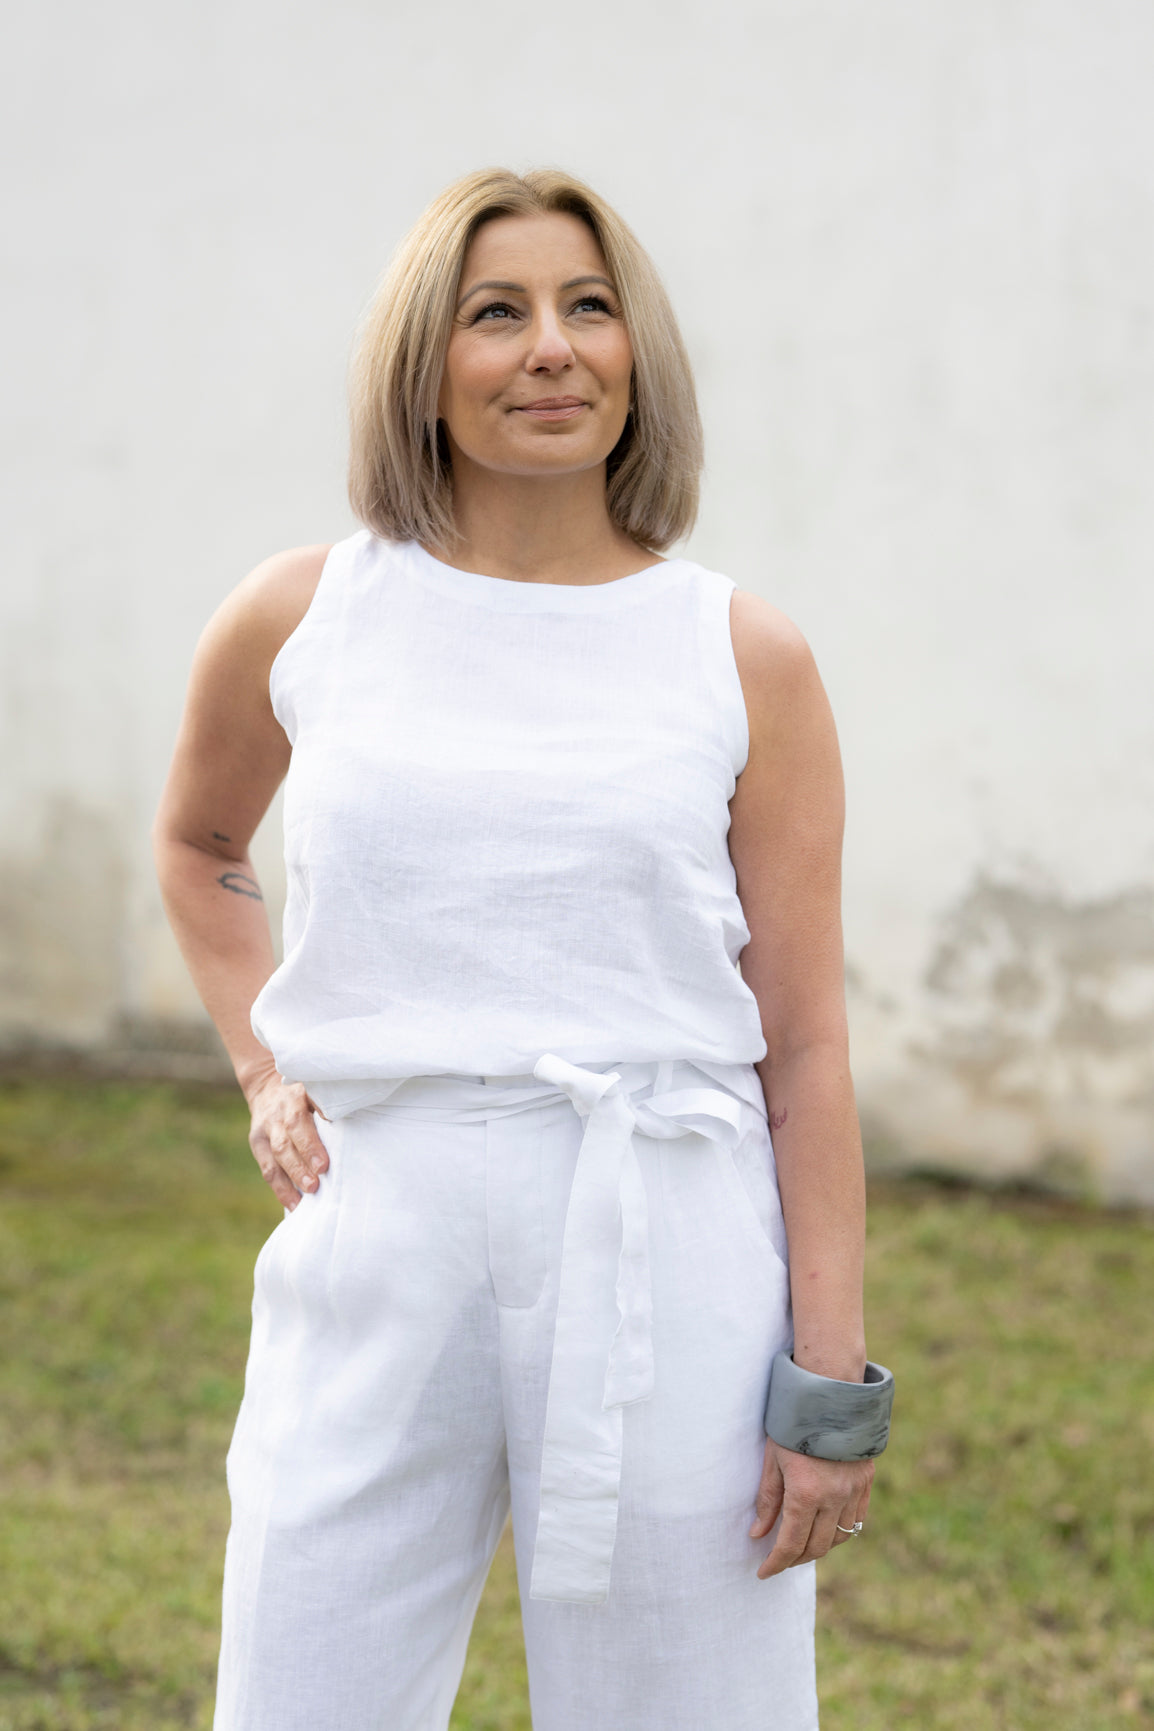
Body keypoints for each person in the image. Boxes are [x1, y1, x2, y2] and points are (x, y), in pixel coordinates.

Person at [153, 166, 888, 1731]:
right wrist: (262, 1060)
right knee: (303, 1693)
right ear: (424, 364)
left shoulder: (738, 653)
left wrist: (825, 1382)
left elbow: (806, 1041)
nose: (552, 348)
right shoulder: (305, 615)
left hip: (664, 1234)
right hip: (380, 1225)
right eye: (498, 313)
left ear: (636, 352)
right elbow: (198, 846)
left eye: (589, 306)